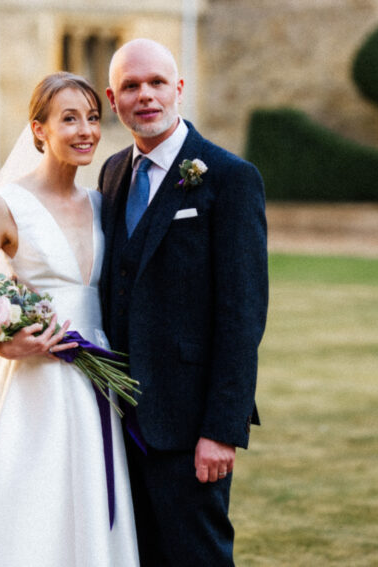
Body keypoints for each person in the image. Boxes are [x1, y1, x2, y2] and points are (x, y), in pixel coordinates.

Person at [0, 72, 139, 566]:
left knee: (88, 505)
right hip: (31, 387)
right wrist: (4, 344)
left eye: (92, 118)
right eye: (68, 119)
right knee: (28, 509)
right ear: (38, 130)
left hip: (95, 380)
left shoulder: (102, 204)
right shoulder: (4, 206)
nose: (85, 130)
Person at [98, 38, 269, 566]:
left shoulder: (229, 178)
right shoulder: (111, 175)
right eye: (131, 86)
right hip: (114, 422)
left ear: (179, 88)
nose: (144, 95)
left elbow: (242, 315)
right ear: (113, 98)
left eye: (155, 83)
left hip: (188, 424)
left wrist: (221, 429)